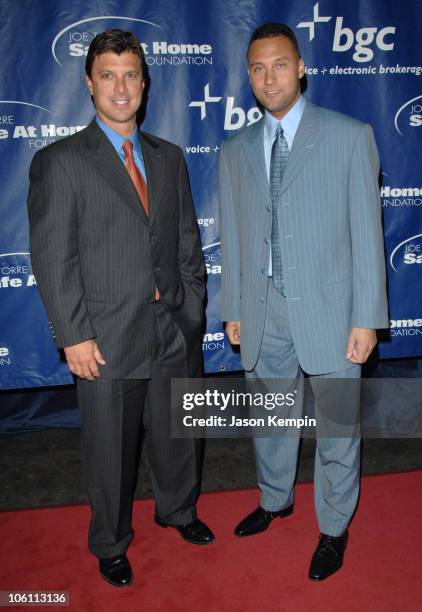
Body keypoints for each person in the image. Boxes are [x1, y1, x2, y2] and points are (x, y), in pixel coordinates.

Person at [28, 28, 214, 588]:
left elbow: (186, 242)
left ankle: (178, 510)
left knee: (180, 432)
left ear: (144, 82)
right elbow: (53, 255)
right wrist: (73, 335)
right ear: (89, 84)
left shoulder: (169, 157)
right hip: (104, 335)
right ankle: (110, 542)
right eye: (107, 75)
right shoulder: (59, 161)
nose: (120, 86)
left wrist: (191, 308)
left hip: (172, 325)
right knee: (109, 449)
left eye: (130, 74)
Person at [219, 22, 388, 581]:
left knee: (338, 426)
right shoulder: (236, 150)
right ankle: (275, 499)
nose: (270, 77)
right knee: (270, 419)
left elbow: (367, 233)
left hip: (333, 311)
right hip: (264, 308)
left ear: (301, 67)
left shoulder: (348, 134)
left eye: (280, 64)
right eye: (259, 68)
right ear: (249, 76)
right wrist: (235, 306)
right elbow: (236, 235)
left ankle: (334, 528)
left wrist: (368, 316)